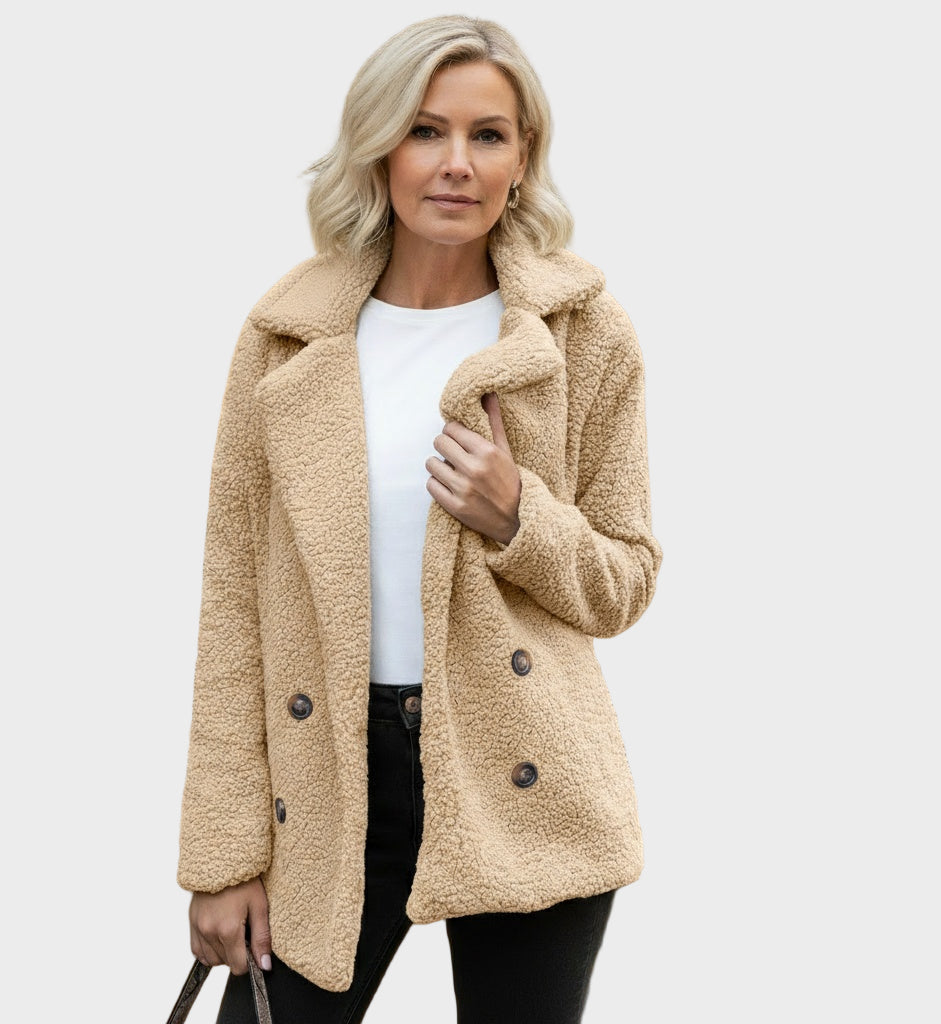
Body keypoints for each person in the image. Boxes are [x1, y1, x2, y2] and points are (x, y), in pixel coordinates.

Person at [177, 14, 663, 1024]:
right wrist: (223, 855)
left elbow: (625, 580)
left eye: (488, 135)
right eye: (425, 131)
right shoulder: (286, 338)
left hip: (525, 774)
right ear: (378, 150)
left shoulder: (581, 334)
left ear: (523, 159)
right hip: (329, 773)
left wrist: (519, 515)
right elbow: (234, 609)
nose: (456, 163)